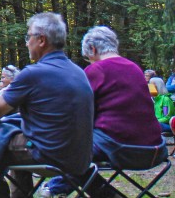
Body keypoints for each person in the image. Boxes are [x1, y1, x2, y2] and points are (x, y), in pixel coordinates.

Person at [0, 12, 94, 198]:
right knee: (9, 136)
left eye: (28, 37)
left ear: (42, 40)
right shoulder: (79, 72)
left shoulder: (33, 74)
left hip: (49, 153)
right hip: (80, 154)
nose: (27, 42)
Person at [44, 26, 167, 197]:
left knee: (67, 146)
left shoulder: (97, 70)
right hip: (154, 148)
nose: (90, 62)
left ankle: (55, 187)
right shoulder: (134, 68)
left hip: (120, 148)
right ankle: (62, 187)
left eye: (88, 58)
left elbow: (76, 112)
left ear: (93, 49)